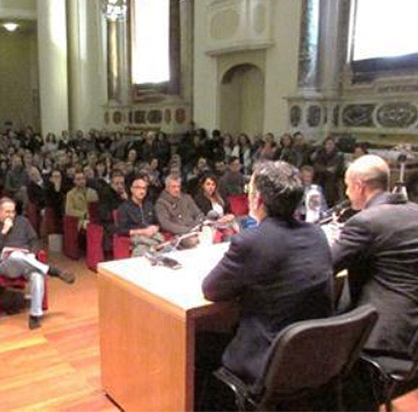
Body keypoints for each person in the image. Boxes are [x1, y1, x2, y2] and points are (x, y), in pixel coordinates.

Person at [199, 161, 334, 409]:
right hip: (311, 356)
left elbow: (211, 289)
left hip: (267, 361)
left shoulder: (251, 241)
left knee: (197, 342)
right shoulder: (317, 235)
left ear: (257, 199)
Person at [332, 155, 418, 356]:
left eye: (347, 186)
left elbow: (326, 265)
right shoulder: (414, 212)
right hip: (411, 332)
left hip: (381, 337)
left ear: (359, 186)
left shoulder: (365, 221)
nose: (346, 193)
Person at [0, 197, 75, 330]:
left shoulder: (23, 221)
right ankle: (52, 270)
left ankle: (35, 316)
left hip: (27, 260)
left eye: (12, 212)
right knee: (15, 255)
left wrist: (32, 253)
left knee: (37, 276)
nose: (11, 215)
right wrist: (3, 232)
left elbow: (34, 240)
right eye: (7, 212)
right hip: (7, 264)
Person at [116, 174, 164, 256]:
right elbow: (121, 230)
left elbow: (158, 223)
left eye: (144, 188)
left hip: (152, 235)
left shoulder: (149, 205)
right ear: (132, 189)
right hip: (137, 237)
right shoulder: (124, 207)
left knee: (168, 249)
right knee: (144, 250)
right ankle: (155, 246)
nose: (142, 191)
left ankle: (154, 247)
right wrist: (143, 231)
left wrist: (155, 228)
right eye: (138, 188)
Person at [155, 174, 204, 248]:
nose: (177, 189)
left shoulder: (187, 198)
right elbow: (165, 224)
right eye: (173, 187)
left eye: (178, 186)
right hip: (178, 234)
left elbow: (199, 214)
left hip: (195, 228)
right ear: (167, 188)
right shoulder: (161, 203)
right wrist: (187, 230)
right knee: (194, 242)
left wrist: (196, 226)